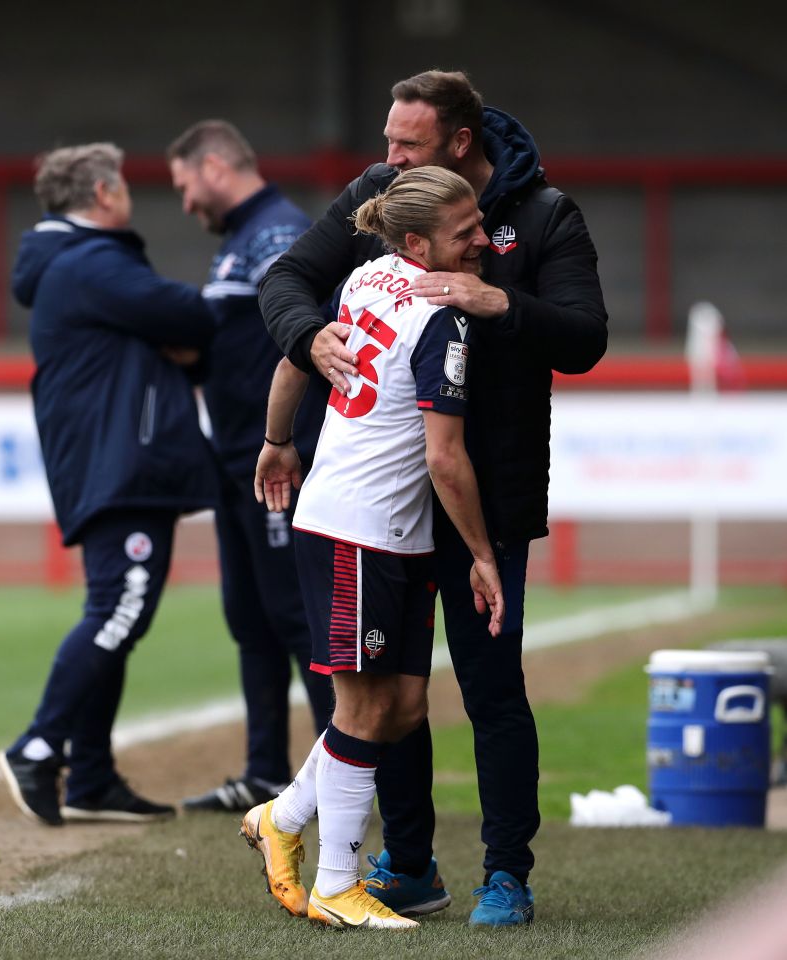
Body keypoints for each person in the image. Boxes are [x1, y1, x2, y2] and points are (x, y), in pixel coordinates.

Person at [258, 70, 608, 926]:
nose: (384, 161)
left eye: (403, 144)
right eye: (386, 142)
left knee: (491, 688)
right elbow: (283, 285)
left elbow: (587, 338)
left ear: (459, 142)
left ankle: (506, 874)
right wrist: (312, 335)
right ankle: (406, 864)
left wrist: (501, 302)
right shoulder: (386, 199)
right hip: (392, 507)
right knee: (395, 694)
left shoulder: (545, 215)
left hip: (489, 498)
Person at [241, 165, 504, 930]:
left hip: (386, 532)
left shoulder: (367, 275)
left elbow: (299, 353)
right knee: (361, 707)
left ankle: (282, 817)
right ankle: (336, 882)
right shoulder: (442, 317)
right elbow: (445, 458)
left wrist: (278, 438)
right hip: (359, 527)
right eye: (467, 234)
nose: (483, 240)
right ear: (420, 242)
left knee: (404, 704)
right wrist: (483, 556)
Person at [0, 143, 219, 826]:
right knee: (118, 609)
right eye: (121, 183)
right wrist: (177, 339)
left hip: (115, 461)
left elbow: (171, 331)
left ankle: (90, 775)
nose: (127, 193)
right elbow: (194, 314)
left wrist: (168, 344)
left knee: (121, 613)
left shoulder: (72, 266)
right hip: (121, 464)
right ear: (102, 194)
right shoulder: (92, 262)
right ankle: (40, 746)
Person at [166, 121, 332, 813]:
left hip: (278, 462)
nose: (184, 204)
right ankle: (263, 771)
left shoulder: (276, 233)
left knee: (298, 616)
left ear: (213, 166)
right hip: (237, 463)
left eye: (183, 187)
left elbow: (300, 345)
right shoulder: (237, 244)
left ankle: (339, 773)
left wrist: (285, 438)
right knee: (251, 618)